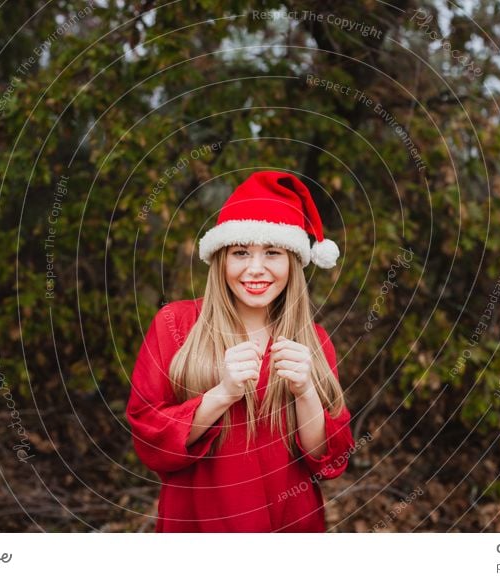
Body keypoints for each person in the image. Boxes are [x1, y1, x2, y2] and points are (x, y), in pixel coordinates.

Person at [126, 170, 354, 532]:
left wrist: (305, 392)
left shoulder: (314, 340)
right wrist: (222, 394)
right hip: (200, 524)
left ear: (293, 263)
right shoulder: (177, 324)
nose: (255, 269)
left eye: (273, 253)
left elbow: (327, 460)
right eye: (241, 252)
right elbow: (150, 438)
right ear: (221, 259)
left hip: (288, 523)